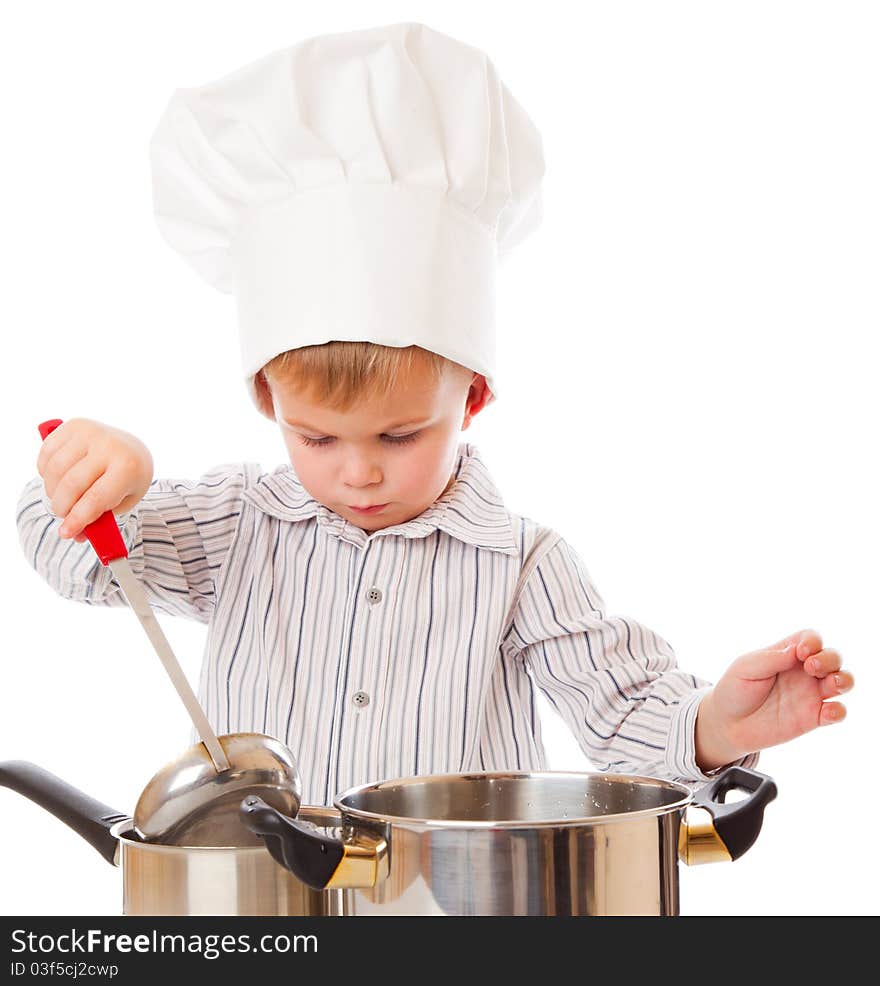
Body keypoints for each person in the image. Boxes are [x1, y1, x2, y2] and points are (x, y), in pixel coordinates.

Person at [16, 23, 852, 808]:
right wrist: (101, 476)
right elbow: (77, 561)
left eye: (399, 434)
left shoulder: (523, 566)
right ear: (268, 403)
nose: (359, 470)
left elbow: (621, 715)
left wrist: (719, 726)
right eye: (315, 437)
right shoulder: (237, 527)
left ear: (473, 398)